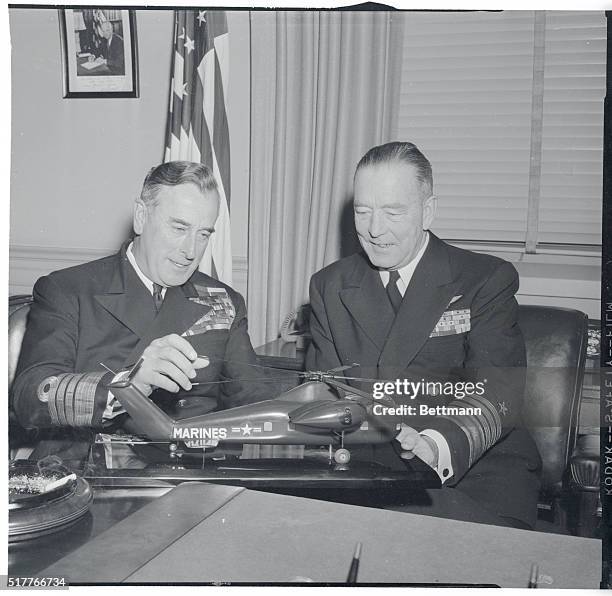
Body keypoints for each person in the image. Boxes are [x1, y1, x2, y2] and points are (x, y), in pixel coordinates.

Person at [306, 141, 541, 529]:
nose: (374, 229)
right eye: (363, 212)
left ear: (428, 211)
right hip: (369, 473)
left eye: (393, 212)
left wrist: (436, 444)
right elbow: (325, 394)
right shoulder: (330, 286)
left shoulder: (484, 279)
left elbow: (498, 394)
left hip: (474, 472)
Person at [12, 161, 284, 462]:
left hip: (192, 478)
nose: (191, 251)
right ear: (142, 217)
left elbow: (257, 403)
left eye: (203, 234)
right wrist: (128, 384)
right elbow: (30, 396)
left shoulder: (223, 301)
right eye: (179, 228)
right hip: (88, 474)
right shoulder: (69, 289)